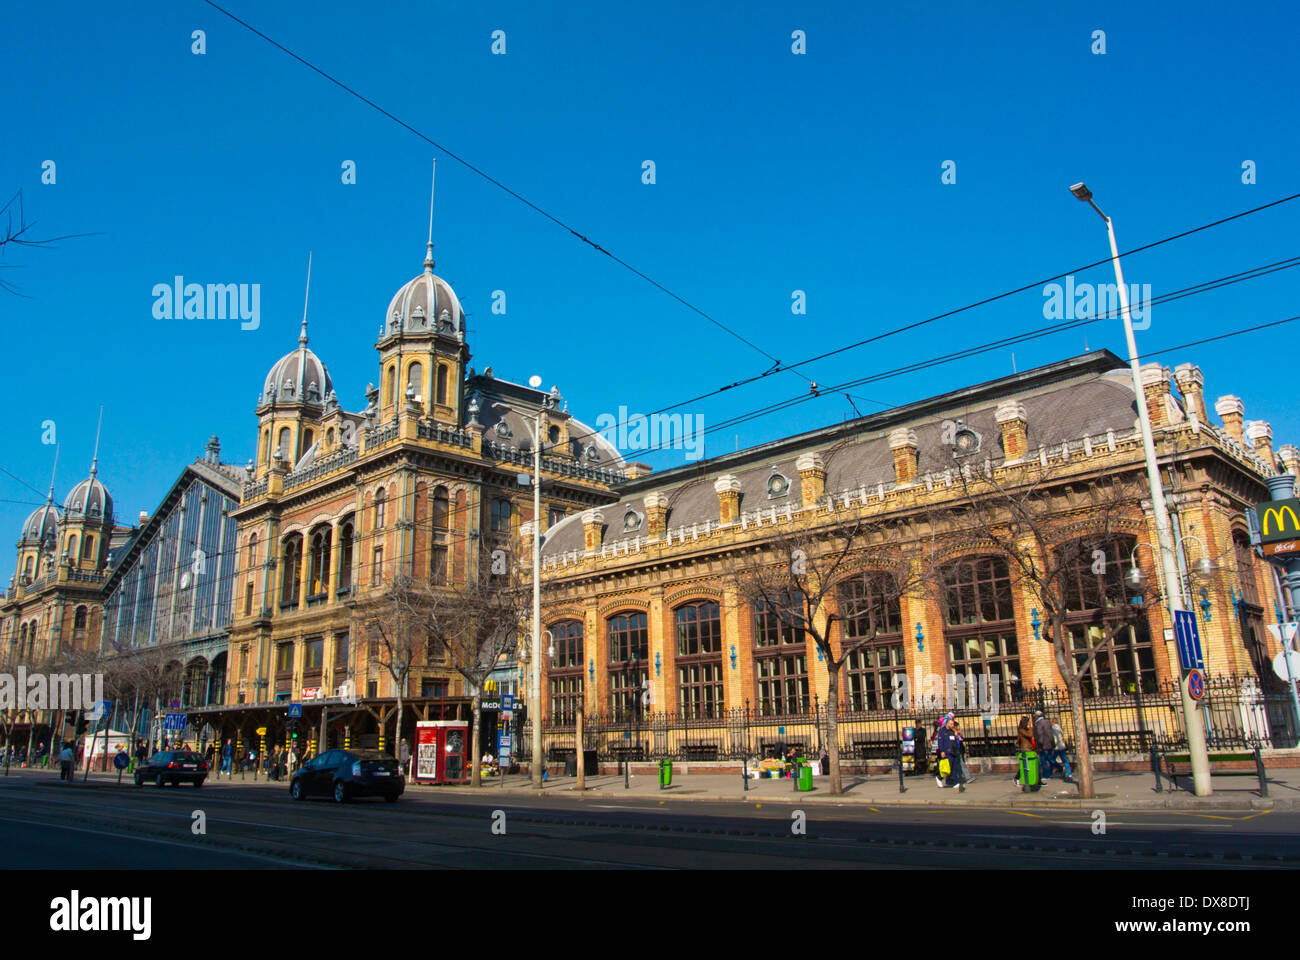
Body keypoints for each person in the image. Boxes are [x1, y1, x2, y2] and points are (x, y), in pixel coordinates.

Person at [1015, 715, 1035, 787]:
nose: (1029, 724)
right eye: (1028, 722)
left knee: (1030, 764)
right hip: (1025, 749)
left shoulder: (1025, 729)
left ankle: (1035, 779)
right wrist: (1031, 728)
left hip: (1029, 748)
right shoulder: (1021, 730)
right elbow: (1030, 735)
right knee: (1024, 765)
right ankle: (1017, 777)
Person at [1034, 711, 1054, 781]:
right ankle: (1060, 769)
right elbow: (1051, 733)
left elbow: (1040, 735)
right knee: (1050, 759)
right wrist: (1052, 743)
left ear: (1037, 716)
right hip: (1049, 744)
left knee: (1043, 760)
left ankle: (1046, 775)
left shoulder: (1039, 723)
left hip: (1043, 745)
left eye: (1035, 716)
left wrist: (1040, 745)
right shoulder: (1048, 722)